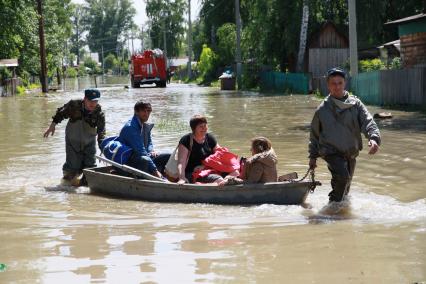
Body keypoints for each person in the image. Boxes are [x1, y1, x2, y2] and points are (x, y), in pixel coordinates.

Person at [308, 67, 381, 202]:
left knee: (346, 187)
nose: (337, 87)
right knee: (343, 177)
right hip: (330, 151)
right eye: (333, 83)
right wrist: (313, 157)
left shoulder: (356, 104)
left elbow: (368, 121)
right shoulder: (322, 109)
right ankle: (332, 209)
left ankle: (340, 212)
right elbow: (314, 135)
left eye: (340, 83)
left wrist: (374, 138)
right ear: (328, 85)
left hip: (350, 152)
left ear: (344, 83)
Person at [43, 88, 106, 186]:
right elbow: (61, 113)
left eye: (95, 101)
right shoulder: (74, 105)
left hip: (89, 142)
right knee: (72, 168)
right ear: (85, 99)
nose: (93, 104)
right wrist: (52, 125)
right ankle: (65, 186)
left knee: (90, 167)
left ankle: (85, 188)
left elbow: (101, 132)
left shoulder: (99, 113)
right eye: (90, 101)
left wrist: (103, 146)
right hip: (72, 140)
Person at [118, 100, 170, 179]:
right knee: (145, 159)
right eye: (143, 111)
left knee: (168, 156)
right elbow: (141, 151)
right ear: (136, 112)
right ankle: (144, 179)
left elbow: (149, 142)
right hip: (128, 162)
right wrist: (155, 170)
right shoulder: (130, 127)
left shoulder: (145, 125)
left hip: (142, 157)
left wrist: (151, 150)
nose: (146, 114)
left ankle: (165, 176)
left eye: (148, 111)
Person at [176, 115, 224, 184]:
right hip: (192, 173)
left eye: (205, 125)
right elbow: (181, 163)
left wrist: (205, 166)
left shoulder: (210, 138)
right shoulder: (186, 140)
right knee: (219, 180)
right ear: (194, 128)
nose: (204, 128)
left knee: (233, 172)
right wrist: (182, 177)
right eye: (201, 126)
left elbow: (220, 154)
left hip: (209, 169)